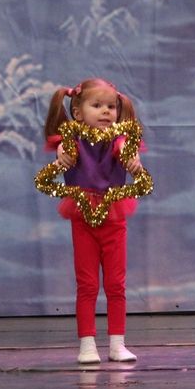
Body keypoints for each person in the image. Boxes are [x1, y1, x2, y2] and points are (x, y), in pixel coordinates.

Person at [43, 79, 146, 364]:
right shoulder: (70, 141)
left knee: (116, 284)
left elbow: (125, 149)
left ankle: (117, 344)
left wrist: (132, 159)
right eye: (97, 105)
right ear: (77, 113)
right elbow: (63, 149)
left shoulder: (119, 138)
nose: (106, 112)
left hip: (113, 217)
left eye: (111, 106)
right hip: (83, 217)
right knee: (87, 283)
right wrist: (62, 155)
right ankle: (87, 344)